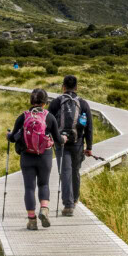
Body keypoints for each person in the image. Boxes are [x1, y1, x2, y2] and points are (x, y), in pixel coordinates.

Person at [7, 88, 61, 230]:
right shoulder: (49, 117)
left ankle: (32, 220)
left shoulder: (23, 117)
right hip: (45, 156)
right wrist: (65, 138)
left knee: (29, 187)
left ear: (31, 101)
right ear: (45, 102)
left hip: (27, 156)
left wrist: (8, 135)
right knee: (44, 184)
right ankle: (44, 209)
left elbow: (13, 138)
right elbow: (58, 139)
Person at [49, 75, 93, 216]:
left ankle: (68, 206)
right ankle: (74, 200)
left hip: (61, 143)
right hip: (78, 143)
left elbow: (48, 122)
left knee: (65, 172)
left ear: (63, 87)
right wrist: (89, 147)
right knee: (75, 171)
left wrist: (50, 140)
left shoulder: (56, 102)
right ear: (76, 88)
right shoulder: (83, 104)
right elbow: (89, 127)